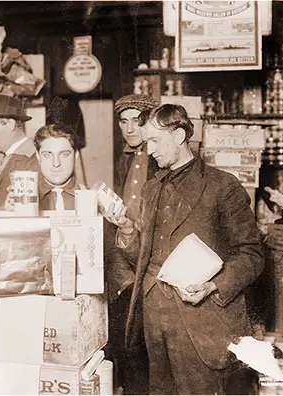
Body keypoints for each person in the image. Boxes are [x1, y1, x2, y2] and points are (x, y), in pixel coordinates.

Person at [104, 104, 264, 395]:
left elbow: (252, 253)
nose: (148, 149)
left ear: (179, 135)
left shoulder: (221, 186)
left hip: (201, 321)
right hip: (154, 318)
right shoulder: (152, 188)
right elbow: (144, 257)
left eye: (154, 140)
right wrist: (127, 230)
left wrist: (213, 285)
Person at [106, 93, 159, 393]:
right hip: (126, 259)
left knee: (142, 348)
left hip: (148, 262)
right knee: (126, 344)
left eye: (136, 122)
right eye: (123, 122)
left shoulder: (158, 159)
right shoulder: (125, 158)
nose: (129, 129)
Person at [4, 123, 79, 211]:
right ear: (38, 157)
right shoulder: (24, 200)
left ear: (76, 155)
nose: (56, 163)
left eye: (64, 154)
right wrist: (9, 214)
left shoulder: (92, 198)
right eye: (47, 155)